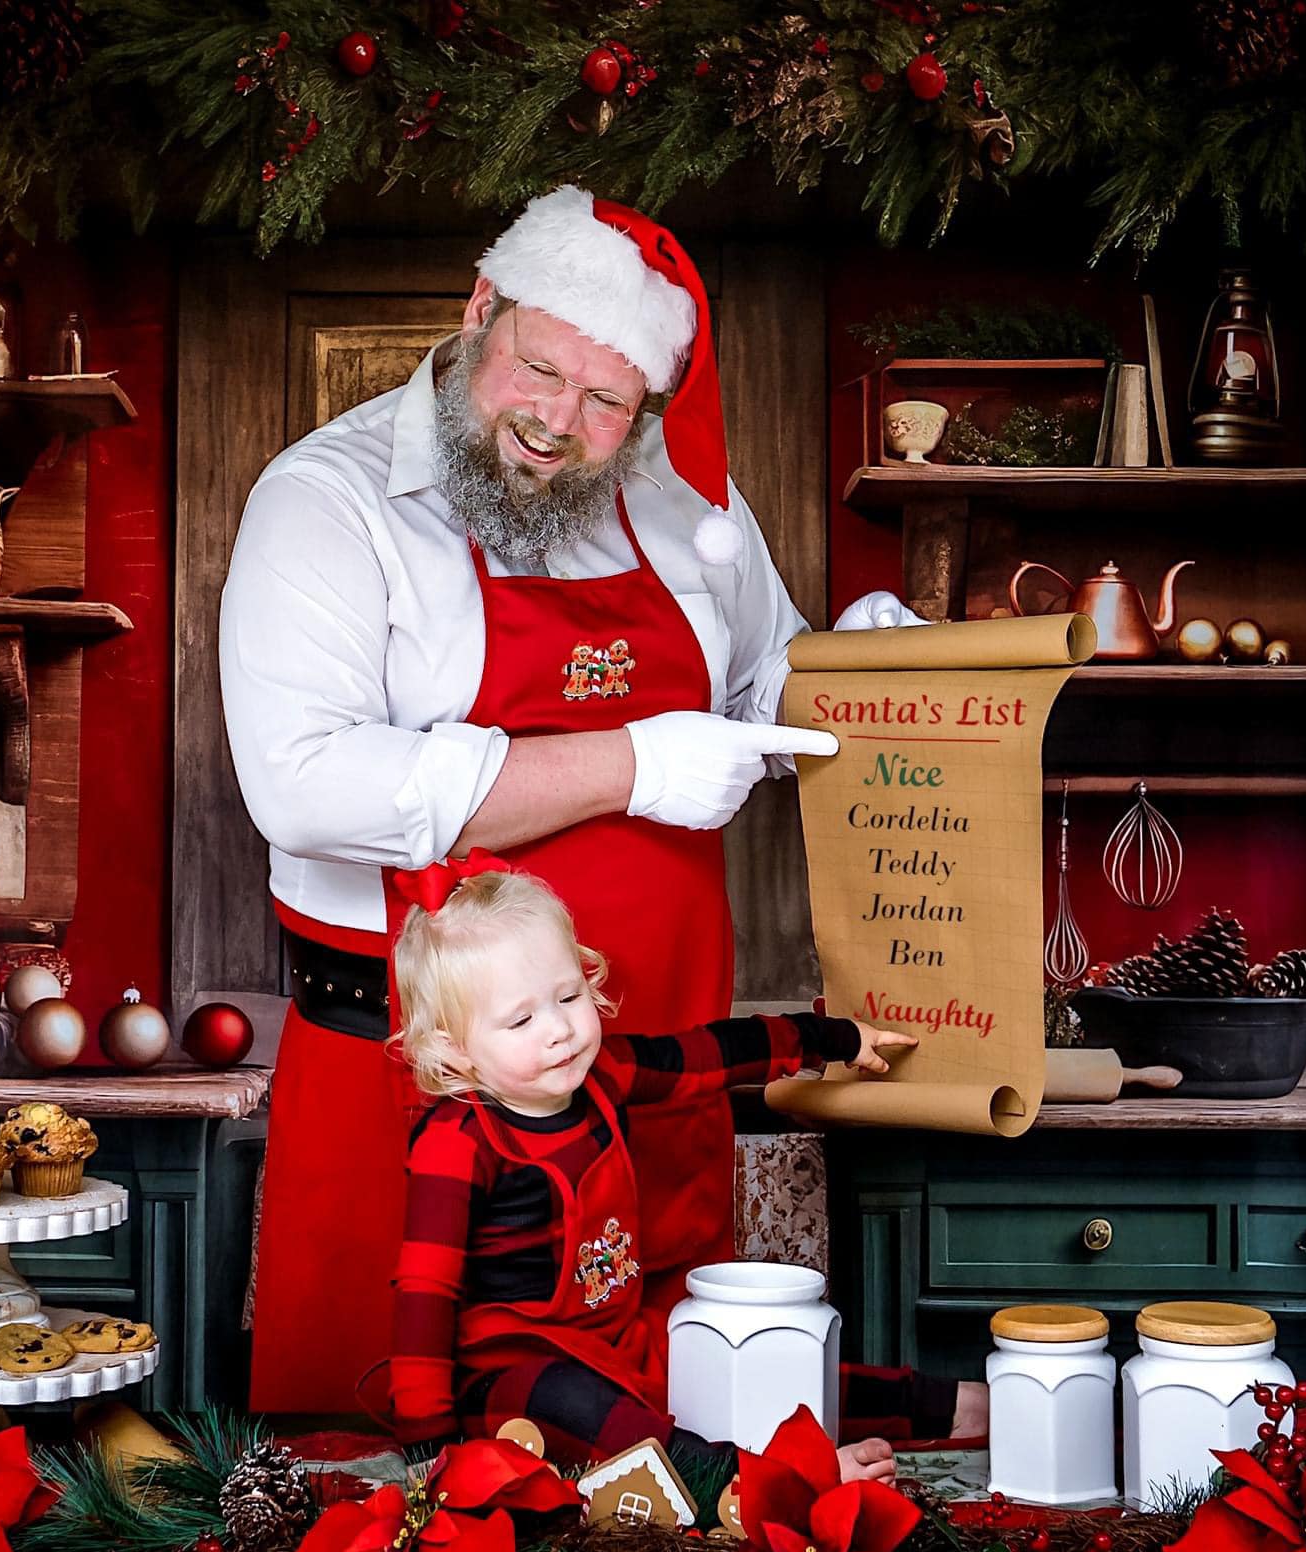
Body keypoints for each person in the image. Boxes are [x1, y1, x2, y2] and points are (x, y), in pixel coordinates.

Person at [221, 184, 988, 1444]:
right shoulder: (328, 501)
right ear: (481, 308)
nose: (555, 425)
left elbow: (761, 685)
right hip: (422, 1093)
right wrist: (629, 764)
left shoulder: (687, 505)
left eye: (605, 403)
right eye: (537, 371)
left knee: (680, 1436)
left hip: (652, 1083)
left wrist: (852, 667)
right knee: (403, 1467)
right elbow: (300, 784)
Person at [374, 855, 919, 1481]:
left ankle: (942, 1406)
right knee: (589, 1410)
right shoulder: (457, 1140)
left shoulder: (605, 1079)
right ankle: (759, 1482)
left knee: (750, 1354)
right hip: (512, 1377)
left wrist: (833, 1038)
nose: (559, 1029)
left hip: (616, 1343)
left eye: (568, 995)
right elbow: (423, 1294)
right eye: (522, 1019)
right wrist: (428, 1444)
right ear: (453, 1048)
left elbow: (715, 1054)